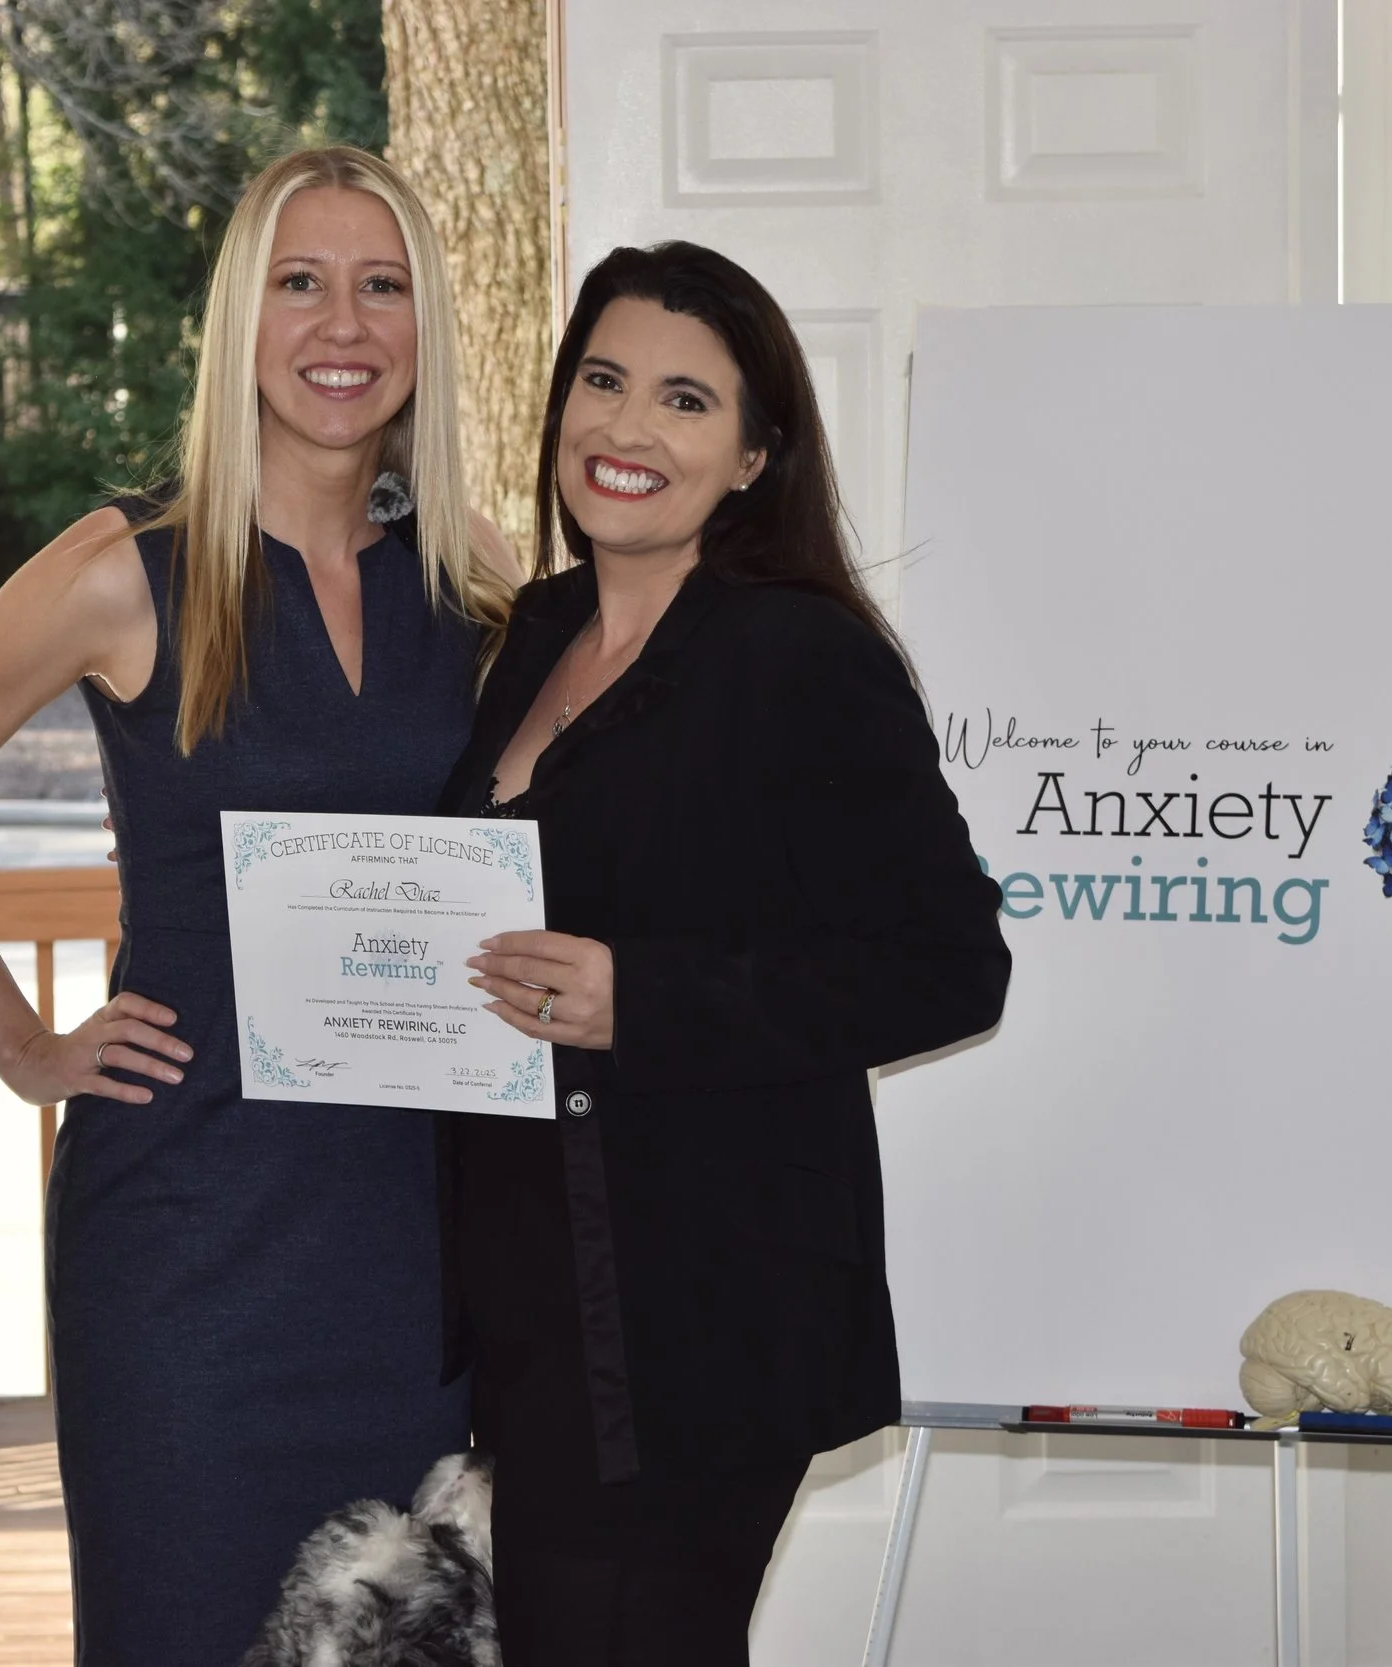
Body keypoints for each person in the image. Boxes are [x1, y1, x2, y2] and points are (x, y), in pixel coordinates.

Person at [0, 146, 518, 1666]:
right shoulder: (124, 570)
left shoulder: (472, 578)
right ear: (239, 321)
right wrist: (23, 1046)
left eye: (382, 285)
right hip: (187, 1240)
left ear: (423, 324)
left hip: (416, 1242)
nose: (341, 324)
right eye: (300, 282)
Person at [440, 241, 1013, 1666]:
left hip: (697, 1322)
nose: (627, 428)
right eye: (603, 380)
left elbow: (950, 963)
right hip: (530, 1300)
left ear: (756, 456)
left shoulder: (801, 657)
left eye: (685, 401)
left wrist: (643, 998)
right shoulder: (538, 630)